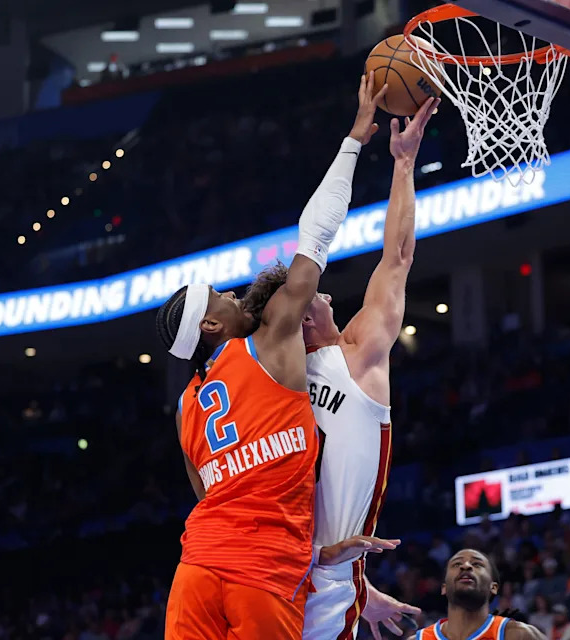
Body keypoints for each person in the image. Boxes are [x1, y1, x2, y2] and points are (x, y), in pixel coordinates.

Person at [158, 73, 397, 640]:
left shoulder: (186, 410)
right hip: (262, 572)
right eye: (224, 297)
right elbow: (314, 238)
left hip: (197, 566)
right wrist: (354, 140)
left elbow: (214, 496)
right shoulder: (265, 342)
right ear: (212, 325)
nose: (236, 294)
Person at [293, 92, 439, 640]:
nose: (319, 291)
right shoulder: (298, 367)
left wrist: (404, 167)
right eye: (310, 293)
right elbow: (396, 260)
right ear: (305, 317)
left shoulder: (354, 355)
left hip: (320, 576)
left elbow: (397, 259)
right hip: (303, 572)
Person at [409, 549, 546, 640]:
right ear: (444, 588)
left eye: (477, 564)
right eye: (457, 564)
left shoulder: (518, 635)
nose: (466, 566)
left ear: (493, 587)